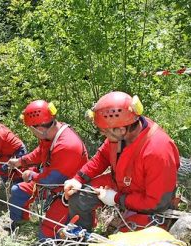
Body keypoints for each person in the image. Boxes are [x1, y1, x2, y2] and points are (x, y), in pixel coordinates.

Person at [63, 91, 180, 232]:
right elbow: (102, 157)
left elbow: (156, 203)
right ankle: (80, 239)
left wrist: (117, 198)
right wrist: (78, 179)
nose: (102, 134)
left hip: (146, 200)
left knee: (122, 243)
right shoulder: (121, 134)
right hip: (120, 183)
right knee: (79, 197)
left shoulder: (158, 150)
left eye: (105, 131)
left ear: (121, 129)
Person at [7, 100, 88, 239]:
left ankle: (71, 234)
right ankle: (20, 222)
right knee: (17, 191)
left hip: (68, 192)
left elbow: (51, 180)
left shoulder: (67, 145)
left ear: (40, 128)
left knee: (46, 236)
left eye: (31, 129)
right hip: (50, 180)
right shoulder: (50, 135)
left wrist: (31, 175)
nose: (31, 132)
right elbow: (40, 152)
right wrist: (20, 162)